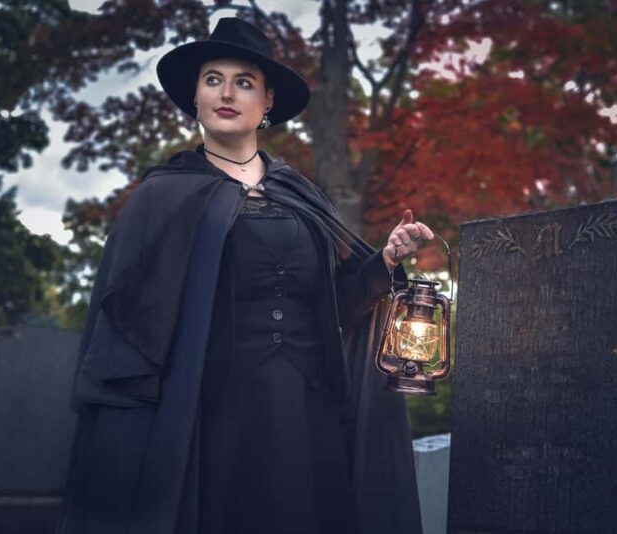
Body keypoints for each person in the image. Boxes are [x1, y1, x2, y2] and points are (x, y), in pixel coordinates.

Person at [57, 17, 434, 534]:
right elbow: (129, 328)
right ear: (195, 98)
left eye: (244, 82)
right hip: (211, 415)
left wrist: (385, 262)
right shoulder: (162, 197)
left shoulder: (300, 196)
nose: (227, 92)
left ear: (267, 102)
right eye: (213, 79)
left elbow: (332, 309)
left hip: (306, 411)